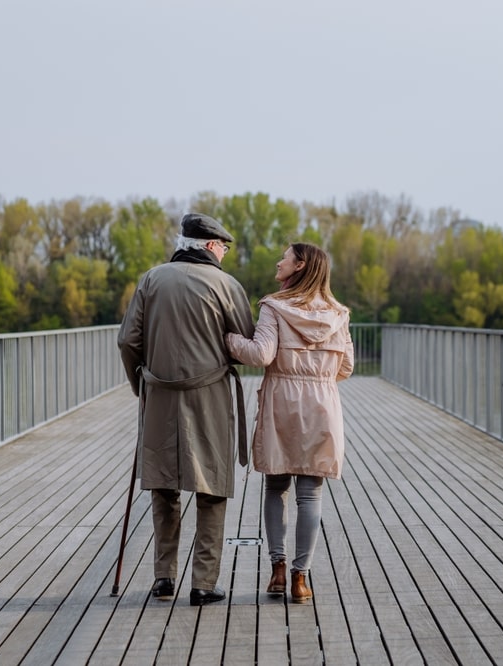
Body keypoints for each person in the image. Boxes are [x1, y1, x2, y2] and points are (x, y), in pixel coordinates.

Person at [117, 212, 255, 607]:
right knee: (211, 487)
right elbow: (244, 344)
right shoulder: (226, 285)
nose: (225, 254)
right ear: (211, 246)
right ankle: (203, 583)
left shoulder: (151, 279)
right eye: (224, 248)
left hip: (159, 394)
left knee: (163, 485)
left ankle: (164, 578)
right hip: (208, 395)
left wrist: (141, 384)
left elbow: (127, 340)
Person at [225, 242, 353, 604]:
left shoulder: (274, 307)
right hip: (322, 406)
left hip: (281, 402)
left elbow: (260, 353)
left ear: (298, 266)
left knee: (276, 488)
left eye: (285, 257)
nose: (278, 261)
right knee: (310, 493)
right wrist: (318, 380)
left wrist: (228, 338)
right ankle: (301, 578)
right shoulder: (339, 314)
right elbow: (346, 367)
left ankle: (277, 569)